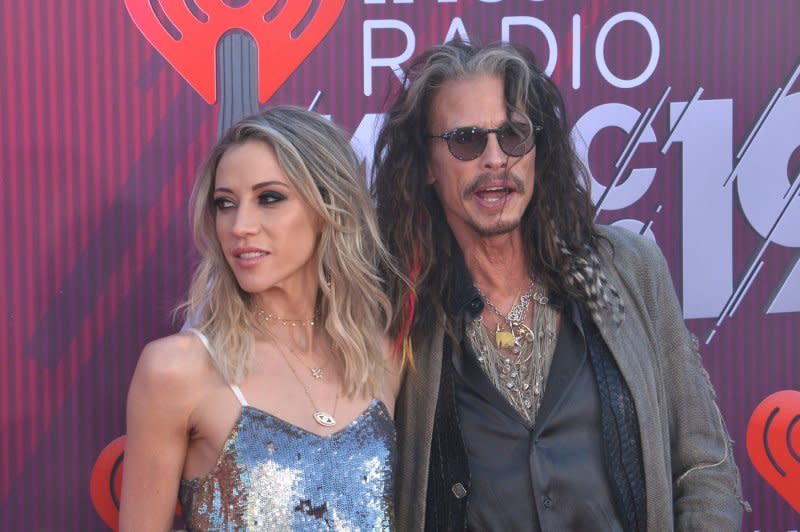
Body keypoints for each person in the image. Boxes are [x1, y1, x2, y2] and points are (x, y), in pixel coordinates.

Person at [372, 41, 747, 531]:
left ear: (537, 151)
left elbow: (704, 467)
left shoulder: (631, 269)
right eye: (466, 140)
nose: (495, 159)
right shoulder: (398, 309)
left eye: (514, 135)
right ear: (425, 165)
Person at [120, 106, 403, 531]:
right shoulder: (176, 369)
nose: (240, 226)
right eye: (225, 204)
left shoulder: (379, 353)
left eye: (269, 198)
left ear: (329, 206)